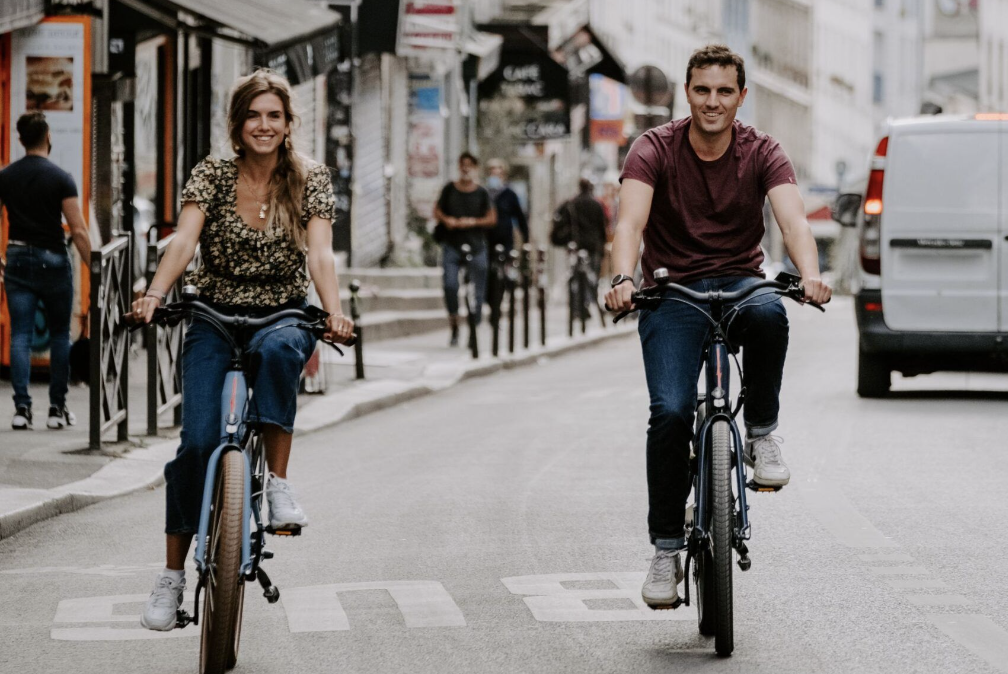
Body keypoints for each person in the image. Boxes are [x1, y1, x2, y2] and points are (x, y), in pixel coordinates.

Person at [603, 44, 831, 610]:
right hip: (672, 291)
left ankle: (760, 433)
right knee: (672, 412)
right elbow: (629, 222)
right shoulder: (653, 148)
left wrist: (811, 275)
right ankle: (665, 549)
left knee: (769, 311)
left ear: (741, 96)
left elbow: (793, 218)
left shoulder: (763, 151)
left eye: (724, 91)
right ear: (687, 93)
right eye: (702, 90)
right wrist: (620, 277)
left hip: (739, 284)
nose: (713, 101)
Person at [130, 69, 354, 631]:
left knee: (282, 351)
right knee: (196, 443)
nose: (264, 125)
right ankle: (172, 577)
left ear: (287, 123)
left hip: (280, 313)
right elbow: (183, 238)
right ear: (237, 123)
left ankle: (277, 485)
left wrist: (333, 310)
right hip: (211, 314)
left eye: (274, 116)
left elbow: (320, 254)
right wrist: (156, 292)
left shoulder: (310, 178)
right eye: (253, 115)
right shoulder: (211, 173)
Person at [0, 111, 90, 430]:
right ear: (47, 136)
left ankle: (21, 410)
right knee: (59, 334)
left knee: (21, 335)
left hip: (18, 256)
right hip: (53, 258)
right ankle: (56, 409)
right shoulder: (61, 177)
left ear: (21, 140)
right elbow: (78, 230)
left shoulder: (6, 176)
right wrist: (95, 266)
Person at [433, 152, 496, 346]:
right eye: (463, 164)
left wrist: (472, 222)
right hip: (452, 245)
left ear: (475, 168)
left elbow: (492, 218)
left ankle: (473, 329)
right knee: (450, 285)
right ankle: (454, 326)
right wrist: (448, 220)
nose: (466, 168)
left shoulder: (482, 193)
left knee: (478, 290)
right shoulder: (450, 189)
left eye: (470, 165)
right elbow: (437, 210)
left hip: (476, 246)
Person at [553, 178, 608, 317]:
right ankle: (588, 304)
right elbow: (602, 227)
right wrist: (602, 246)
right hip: (593, 245)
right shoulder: (596, 204)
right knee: (591, 277)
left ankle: (577, 307)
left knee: (577, 277)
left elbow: (560, 219)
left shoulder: (572, 203)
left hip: (576, 245)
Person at [484, 158, 528, 252]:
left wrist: (525, 238)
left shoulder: (509, 194)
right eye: (492, 173)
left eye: (498, 174)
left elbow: (519, 216)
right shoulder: (483, 193)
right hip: (487, 238)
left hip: (505, 237)